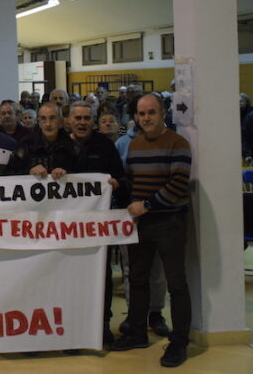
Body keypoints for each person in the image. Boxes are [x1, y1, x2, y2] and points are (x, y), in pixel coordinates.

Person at [112, 94, 192, 368]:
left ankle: (179, 342)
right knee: (137, 278)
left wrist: (146, 205)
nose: (146, 118)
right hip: (141, 224)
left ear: (163, 113)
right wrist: (117, 185)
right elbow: (131, 180)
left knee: (176, 284)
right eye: (141, 113)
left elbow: (178, 185)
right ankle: (137, 333)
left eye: (151, 112)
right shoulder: (134, 145)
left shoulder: (178, 144)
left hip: (169, 222)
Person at [66, 101, 128, 345]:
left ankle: (102, 323)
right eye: (77, 118)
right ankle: (72, 325)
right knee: (70, 276)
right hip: (66, 227)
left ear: (93, 121)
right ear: (69, 120)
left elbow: (121, 177)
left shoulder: (105, 146)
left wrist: (116, 184)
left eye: (87, 118)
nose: (82, 122)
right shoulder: (60, 146)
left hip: (97, 226)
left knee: (101, 274)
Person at [7, 102, 76, 178]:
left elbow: (83, 173)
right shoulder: (26, 144)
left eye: (52, 118)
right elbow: (10, 173)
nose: (48, 124)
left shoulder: (71, 146)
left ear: (60, 122)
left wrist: (67, 173)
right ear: (39, 123)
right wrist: (29, 172)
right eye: (43, 119)